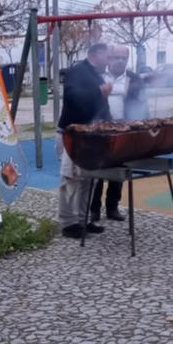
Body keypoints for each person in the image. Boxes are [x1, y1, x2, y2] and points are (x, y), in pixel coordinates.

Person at [56, 42, 113, 239]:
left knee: (89, 179)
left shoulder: (96, 75)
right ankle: (68, 223)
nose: (109, 61)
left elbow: (101, 106)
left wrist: (109, 123)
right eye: (107, 57)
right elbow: (72, 97)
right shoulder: (77, 71)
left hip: (91, 134)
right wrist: (99, 91)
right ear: (95, 54)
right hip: (72, 134)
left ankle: (83, 219)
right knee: (71, 178)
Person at [90, 46, 134, 222]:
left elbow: (140, 103)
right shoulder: (98, 77)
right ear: (109, 58)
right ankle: (94, 208)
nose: (120, 61)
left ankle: (112, 207)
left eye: (124, 58)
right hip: (100, 130)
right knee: (98, 170)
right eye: (116, 57)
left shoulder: (133, 79)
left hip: (123, 130)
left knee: (118, 169)